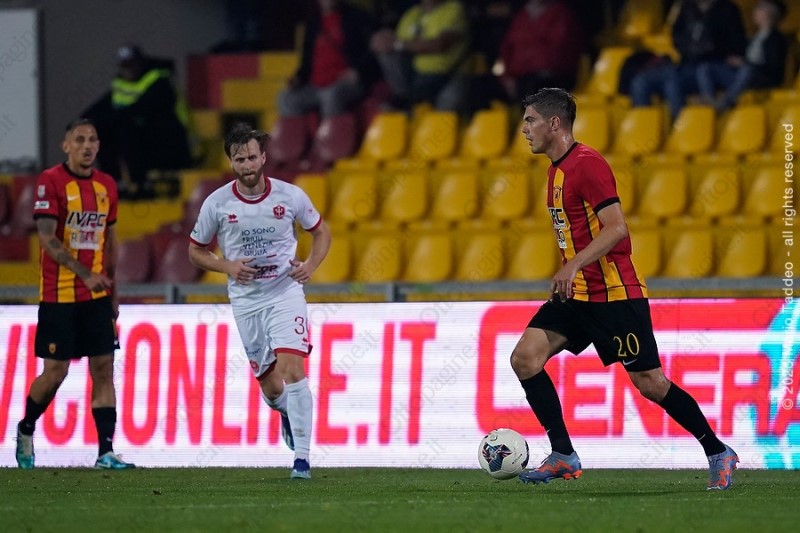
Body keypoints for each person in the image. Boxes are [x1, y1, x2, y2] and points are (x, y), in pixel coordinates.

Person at [511, 88, 738, 490]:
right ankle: (563, 455)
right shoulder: (555, 171)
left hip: (615, 294)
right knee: (525, 358)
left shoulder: (587, 164)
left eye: (530, 120)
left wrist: (573, 265)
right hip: (577, 295)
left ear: (554, 123)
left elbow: (617, 228)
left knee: (650, 383)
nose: (524, 129)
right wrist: (571, 272)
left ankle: (718, 452)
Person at [187, 124, 331, 479]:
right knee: (270, 388)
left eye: (252, 157)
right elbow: (195, 251)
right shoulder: (217, 203)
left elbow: (321, 232)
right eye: (240, 160)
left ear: (263, 157)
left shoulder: (290, 196)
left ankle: (302, 460)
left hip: (285, 292)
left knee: (293, 369)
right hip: (246, 302)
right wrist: (228, 266)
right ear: (231, 163)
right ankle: (285, 413)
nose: (247, 165)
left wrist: (311, 265)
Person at [15, 118, 134, 470]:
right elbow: (47, 239)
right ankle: (26, 427)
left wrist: (113, 292)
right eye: (79, 139)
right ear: (65, 146)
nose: (87, 146)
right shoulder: (50, 181)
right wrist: (85, 274)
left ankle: (105, 452)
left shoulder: (106, 185)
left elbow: (109, 241)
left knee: (104, 368)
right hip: (59, 295)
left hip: (96, 298)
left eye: (92, 140)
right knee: (56, 372)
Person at [84, 44, 192, 199]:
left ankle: (142, 184)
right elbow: (102, 107)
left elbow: (143, 108)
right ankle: (116, 184)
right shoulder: (121, 84)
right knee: (101, 130)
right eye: (124, 66)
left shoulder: (159, 81)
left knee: (129, 130)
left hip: (171, 144)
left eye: (132, 64)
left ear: (141, 63)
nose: (128, 70)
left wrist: (113, 118)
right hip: (144, 141)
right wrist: (85, 121)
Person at [630, 0, 747, 120]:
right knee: (641, 81)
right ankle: (644, 126)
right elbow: (676, 36)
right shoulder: (687, 7)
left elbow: (737, 46)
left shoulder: (729, 10)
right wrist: (689, 47)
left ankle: (680, 125)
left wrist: (710, 48)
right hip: (685, 64)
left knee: (672, 81)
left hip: (709, 68)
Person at [278, 0, 379, 119]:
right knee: (286, 98)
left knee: (331, 95)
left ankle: (332, 131)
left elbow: (373, 51)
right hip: (315, 86)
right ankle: (299, 132)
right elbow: (306, 63)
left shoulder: (356, 17)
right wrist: (297, 79)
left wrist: (358, 71)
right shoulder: (312, 24)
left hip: (344, 83)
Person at [370, 0, 472, 111]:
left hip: (448, 77)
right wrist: (385, 41)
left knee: (446, 114)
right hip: (416, 77)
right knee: (386, 54)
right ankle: (403, 99)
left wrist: (399, 44)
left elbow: (440, 45)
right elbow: (393, 44)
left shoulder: (454, 9)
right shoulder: (412, 14)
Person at [696, 0, 788, 112]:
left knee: (747, 70)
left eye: (759, 9)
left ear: (769, 14)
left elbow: (773, 66)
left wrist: (745, 64)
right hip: (743, 74)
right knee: (706, 68)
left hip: (762, 77)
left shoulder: (777, 40)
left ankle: (725, 102)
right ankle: (709, 101)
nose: (754, 12)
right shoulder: (754, 37)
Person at [495, 0, 584, 102]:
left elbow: (558, 52)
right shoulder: (521, 16)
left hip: (550, 77)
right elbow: (507, 49)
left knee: (535, 87)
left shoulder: (561, 14)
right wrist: (508, 77)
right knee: (484, 85)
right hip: (520, 78)